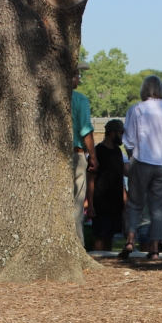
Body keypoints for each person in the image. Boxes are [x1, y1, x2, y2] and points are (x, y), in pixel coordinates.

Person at [121, 75, 162, 259]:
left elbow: (129, 139)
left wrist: (132, 154)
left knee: (134, 204)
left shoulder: (137, 109)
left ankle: (130, 240)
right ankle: (155, 248)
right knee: (159, 208)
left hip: (141, 159)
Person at [89, 119, 128, 251]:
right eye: (121, 133)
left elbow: (120, 177)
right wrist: (90, 204)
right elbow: (91, 179)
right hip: (101, 203)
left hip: (115, 203)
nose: (122, 136)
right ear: (112, 133)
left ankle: (107, 262)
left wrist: (124, 199)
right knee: (100, 236)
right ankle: (98, 259)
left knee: (110, 236)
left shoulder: (117, 152)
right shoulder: (97, 152)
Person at [72, 62, 96, 246]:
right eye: (77, 75)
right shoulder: (80, 100)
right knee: (76, 206)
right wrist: (93, 157)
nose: (78, 78)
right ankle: (77, 246)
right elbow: (85, 129)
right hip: (75, 154)